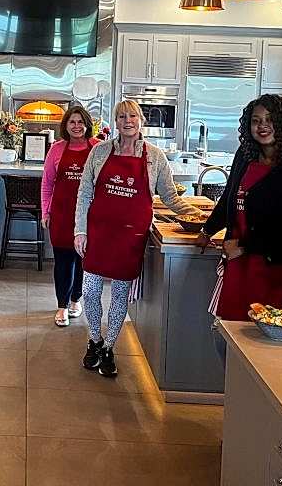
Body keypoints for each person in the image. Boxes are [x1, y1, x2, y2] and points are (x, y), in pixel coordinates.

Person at [73, 99, 194, 377]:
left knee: (119, 294)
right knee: (89, 292)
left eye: (132, 116)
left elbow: (170, 197)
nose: (127, 121)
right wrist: (80, 230)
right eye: (122, 117)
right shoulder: (100, 152)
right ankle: (94, 339)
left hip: (131, 237)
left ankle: (108, 348)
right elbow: (84, 193)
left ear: (141, 120)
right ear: (115, 122)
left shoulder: (155, 156)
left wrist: (197, 215)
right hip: (99, 233)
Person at [204, 94, 282, 321]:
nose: (262, 126)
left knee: (263, 331)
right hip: (237, 262)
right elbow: (229, 197)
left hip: (275, 270)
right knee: (229, 328)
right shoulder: (245, 156)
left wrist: (244, 247)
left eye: (270, 120)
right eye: (256, 120)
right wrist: (207, 230)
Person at [41, 104, 99, 327]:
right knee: (63, 262)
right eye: (72, 122)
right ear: (65, 125)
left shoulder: (98, 148)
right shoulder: (56, 149)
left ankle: (76, 299)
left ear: (87, 125)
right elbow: (47, 184)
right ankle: (62, 305)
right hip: (62, 214)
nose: (76, 126)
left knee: (83, 260)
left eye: (80, 122)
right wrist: (45, 212)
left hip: (88, 215)